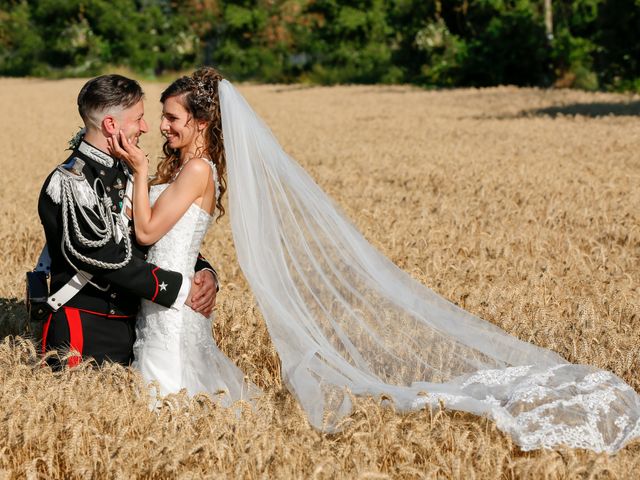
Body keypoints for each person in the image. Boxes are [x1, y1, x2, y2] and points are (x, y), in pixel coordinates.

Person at [111, 67, 640, 454]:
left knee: (169, 394)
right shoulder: (185, 168)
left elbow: (147, 230)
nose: (163, 126)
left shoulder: (198, 171)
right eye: (163, 116)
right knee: (171, 397)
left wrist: (136, 171)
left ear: (202, 121)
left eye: (172, 116)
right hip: (168, 300)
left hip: (173, 303)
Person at [37, 74, 219, 367]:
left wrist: (203, 270)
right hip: (85, 330)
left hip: (134, 327)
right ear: (111, 125)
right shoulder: (71, 182)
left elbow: (161, 234)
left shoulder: (127, 172)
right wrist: (180, 288)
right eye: (139, 118)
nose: (148, 128)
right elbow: (102, 254)